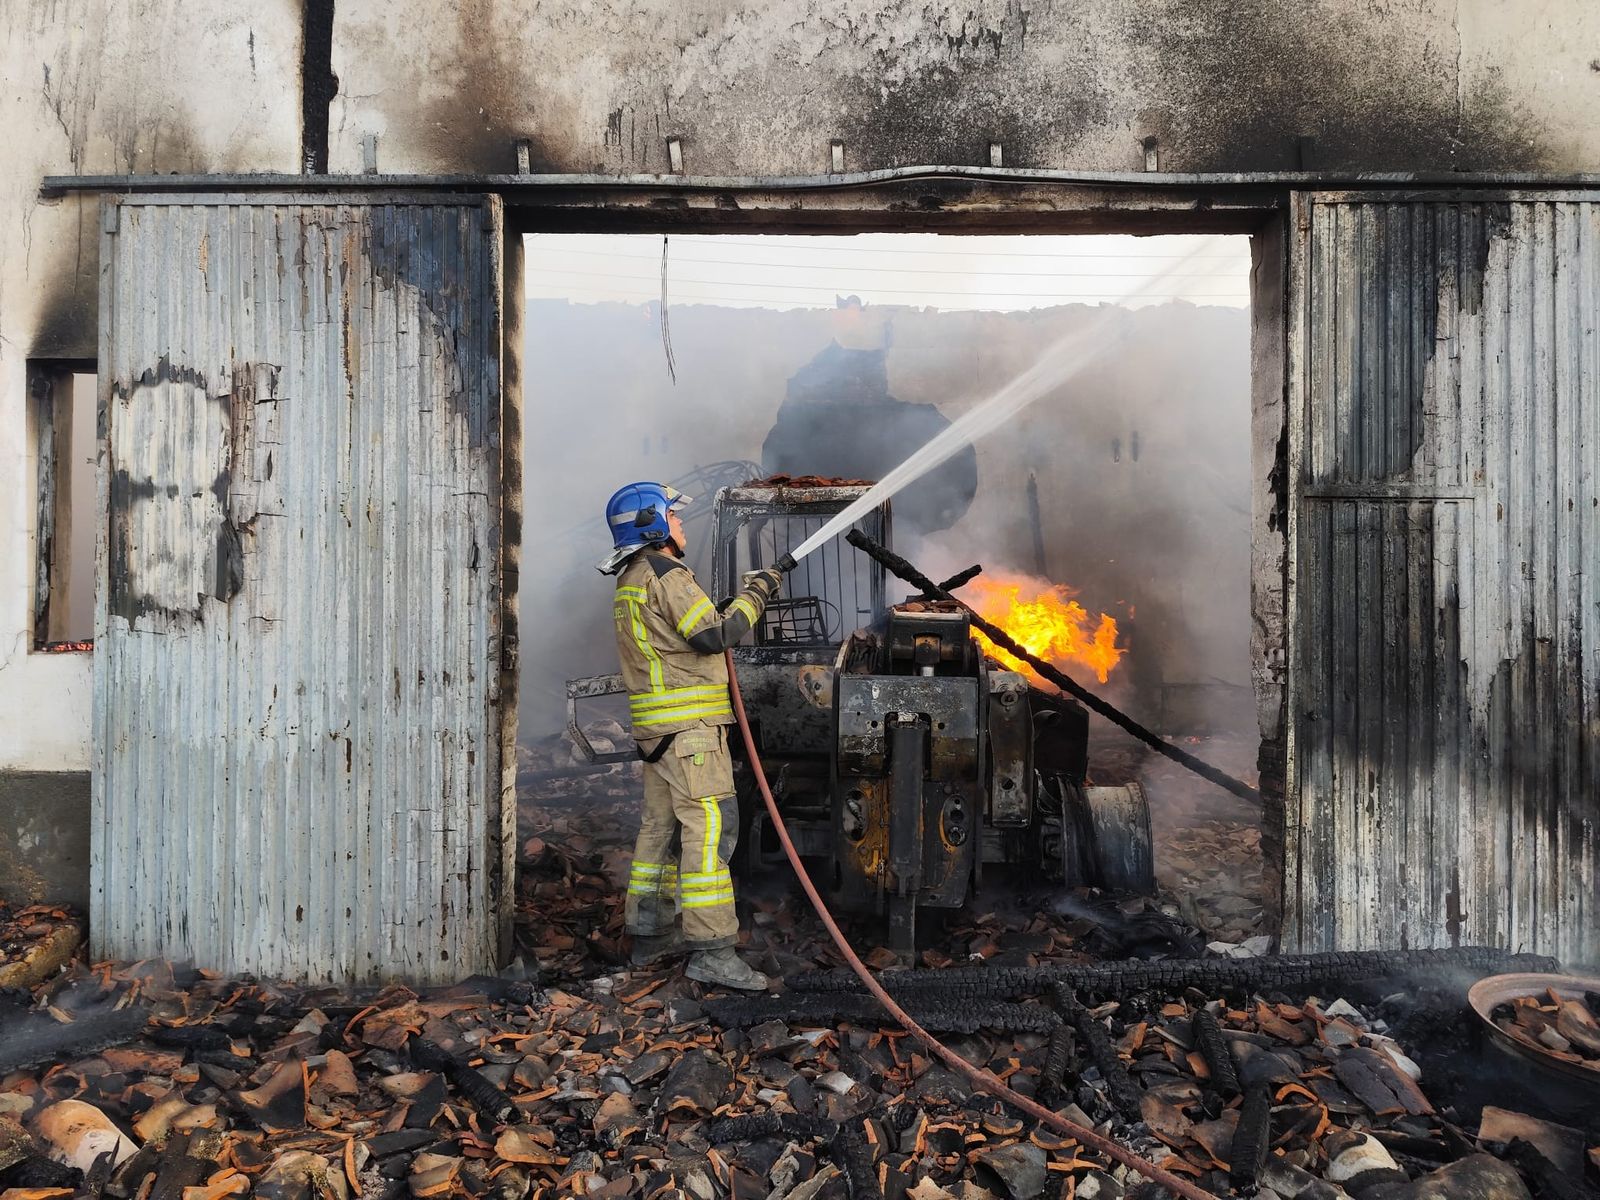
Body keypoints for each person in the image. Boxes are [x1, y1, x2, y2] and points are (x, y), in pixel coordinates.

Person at [597, 481, 786, 990]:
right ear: (653, 525)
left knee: (659, 830)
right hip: (692, 733)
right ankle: (713, 951)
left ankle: (651, 935)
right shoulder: (667, 572)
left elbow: (676, 636)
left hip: (659, 732)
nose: (682, 525)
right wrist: (759, 591)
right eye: (674, 518)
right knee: (709, 832)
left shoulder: (631, 578)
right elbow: (714, 636)